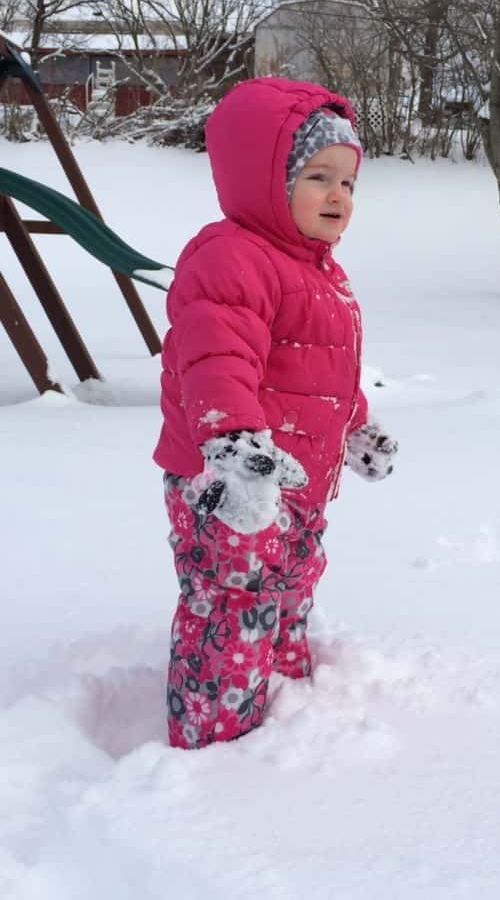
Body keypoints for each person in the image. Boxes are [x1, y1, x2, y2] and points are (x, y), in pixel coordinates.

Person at [153, 77, 397, 749]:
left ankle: (284, 695)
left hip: (297, 482)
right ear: (264, 178)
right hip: (230, 480)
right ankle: (215, 740)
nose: (339, 196)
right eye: (319, 176)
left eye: (348, 182)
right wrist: (233, 445)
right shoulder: (232, 261)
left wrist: (354, 426)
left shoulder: (319, 272)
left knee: (289, 583)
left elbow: (320, 373)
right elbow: (215, 361)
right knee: (233, 601)